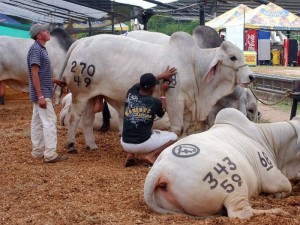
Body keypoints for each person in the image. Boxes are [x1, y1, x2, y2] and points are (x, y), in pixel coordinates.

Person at [120, 67, 178, 167]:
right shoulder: (154, 102)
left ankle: (130, 154)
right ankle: (152, 156)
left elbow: (141, 83)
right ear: (153, 88)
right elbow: (162, 112)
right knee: (174, 137)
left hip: (124, 142)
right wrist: (163, 92)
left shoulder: (130, 93)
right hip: (143, 144)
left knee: (135, 124)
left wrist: (161, 75)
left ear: (140, 85)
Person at [27, 23, 68, 163]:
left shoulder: (40, 49)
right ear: (39, 35)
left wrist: (55, 80)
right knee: (50, 122)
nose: (48, 31)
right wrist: (41, 96)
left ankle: (37, 151)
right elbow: (34, 74)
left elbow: (41, 75)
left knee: (37, 123)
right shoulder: (36, 50)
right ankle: (50, 154)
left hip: (41, 92)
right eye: (45, 30)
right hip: (42, 94)